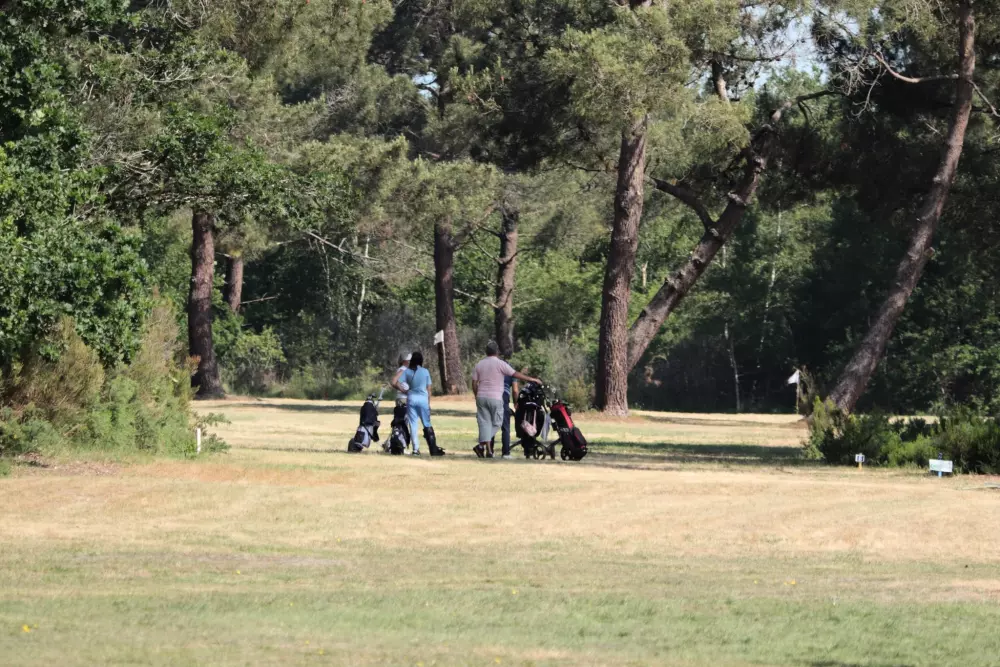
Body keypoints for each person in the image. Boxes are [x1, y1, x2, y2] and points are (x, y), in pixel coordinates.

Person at [472, 342, 540, 459]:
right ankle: (481, 445)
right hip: (495, 397)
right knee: (498, 423)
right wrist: (531, 379)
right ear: (497, 352)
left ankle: (486, 449)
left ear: (486, 352)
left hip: (481, 397)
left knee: (485, 424)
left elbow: (474, 383)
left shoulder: (479, 364)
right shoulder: (500, 364)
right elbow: (515, 374)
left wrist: (477, 395)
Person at [402, 351, 445, 457]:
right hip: (423, 399)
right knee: (426, 423)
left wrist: (404, 391)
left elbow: (398, 382)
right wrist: (428, 403)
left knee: (413, 424)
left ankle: (415, 449)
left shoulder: (407, 372)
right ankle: (433, 448)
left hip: (411, 398)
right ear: (421, 360)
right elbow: (429, 389)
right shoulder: (425, 371)